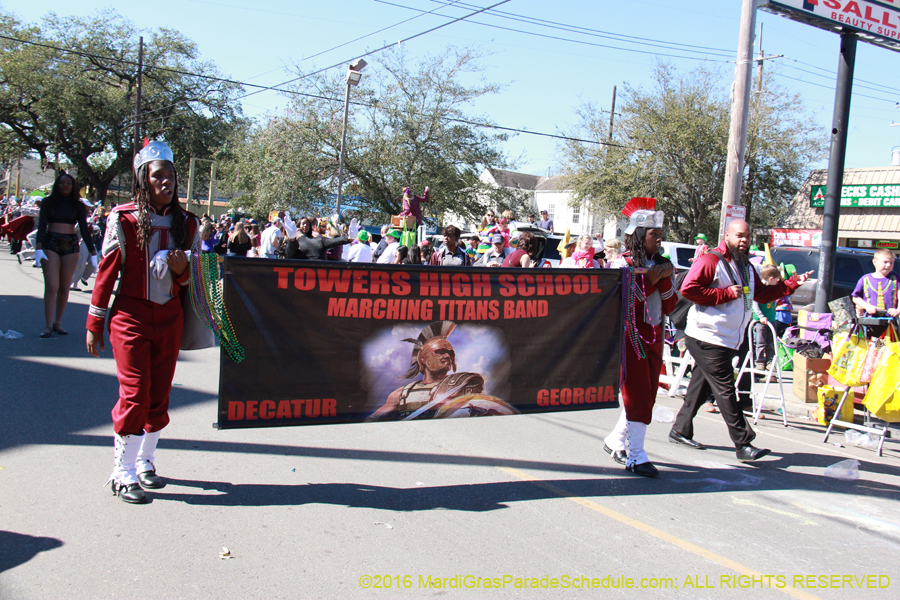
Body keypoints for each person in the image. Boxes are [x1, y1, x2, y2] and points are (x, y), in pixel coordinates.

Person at [86, 140, 201, 504]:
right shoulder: (123, 219)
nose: (166, 182)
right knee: (135, 394)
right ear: (142, 180)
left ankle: (145, 461)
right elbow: (106, 274)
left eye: (171, 175)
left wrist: (182, 272)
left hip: (169, 318)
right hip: (130, 317)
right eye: (157, 176)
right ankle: (121, 473)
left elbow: (193, 281)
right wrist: (94, 322)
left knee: (159, 395)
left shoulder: (189, 223)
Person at [669, 220, 811, 462]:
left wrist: (790, 285)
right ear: (727, 236)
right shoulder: (711, 260)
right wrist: (723, 294)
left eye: (747, 236)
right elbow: (689, 289)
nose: (744, 240)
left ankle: (680, 430)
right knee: (725, 389)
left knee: (701, 386)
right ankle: (743, 443)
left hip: (728, 338)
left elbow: (761, 294)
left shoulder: (745, 266)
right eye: (739, 236)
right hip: (706, 336)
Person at [602, 198, 676, 477]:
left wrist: (664, 278)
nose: (659, 239)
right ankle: (636, 456)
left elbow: (671, 305)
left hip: (655, 335)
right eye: (654, 234)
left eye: (660, 234)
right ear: (639, 235)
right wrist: (651, 281)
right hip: (629, 336)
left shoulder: (663, 263)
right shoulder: (621, 263)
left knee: (647, 394)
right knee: (637, 393)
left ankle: (615, 440)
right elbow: (619, 303)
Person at [366, 321, 516, 421]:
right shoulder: (402, 394)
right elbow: (373, 421)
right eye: (440, 352)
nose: (447, 356)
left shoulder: (462, 385)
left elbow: (486, 410)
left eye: (450, 353)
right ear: (423, 359)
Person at [33, 173, 99, 337]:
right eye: (62, 183)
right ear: (57, 184)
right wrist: (38, 248)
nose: (65, 186)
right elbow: (42, 224)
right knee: (52, 285)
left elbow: (84, 228)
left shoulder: (78, 205)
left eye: (68, 183)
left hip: (70, 243)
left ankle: (58, 323)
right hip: (50, 242)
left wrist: (93, 253)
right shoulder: (48, 202)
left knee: (64, 286)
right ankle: (48, 325)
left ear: (73, 186)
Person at [751, 264, 783, 373]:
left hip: (771, 319)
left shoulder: (772, 288)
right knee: (760, 342)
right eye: (777, 279)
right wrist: (761, 316)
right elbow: (755, 304)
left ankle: (770, 362)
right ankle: (760, 362)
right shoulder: (760, 289)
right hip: (760, 321)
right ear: (771, 279)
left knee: (771, 342)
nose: (778, 282)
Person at [851, 248, 899, 318]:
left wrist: (898, 310)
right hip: (869, 319)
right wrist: (867, 306)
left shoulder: (896, 278)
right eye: (885, 262)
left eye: (891, 263)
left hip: (891, 320)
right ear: (875, 262)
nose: (888, 265)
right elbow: (856, 297)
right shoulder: (865, 279)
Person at [285, 216, 350, 260]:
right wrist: (292, 240)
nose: (305, 226)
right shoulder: (293, 240)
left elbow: (334, 242)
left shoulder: (316, 239)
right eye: (303, 223)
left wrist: (348, 238)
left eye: (308, 224)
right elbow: (289, 254)